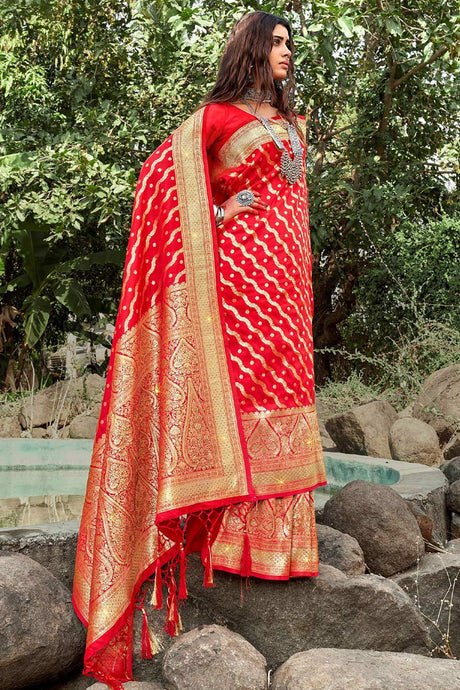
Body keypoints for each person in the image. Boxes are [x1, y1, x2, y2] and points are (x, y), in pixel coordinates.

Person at [72, 10, 327, 689]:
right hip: (238, 281)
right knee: (243, 392)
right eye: (276, 42)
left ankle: (279, 543)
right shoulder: (214, 119)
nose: (287, 52)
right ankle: (225, 539)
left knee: (286, 389)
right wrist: (216, 215)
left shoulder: (294, 124)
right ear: (249, 49)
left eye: (290, 43)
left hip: (286, 283)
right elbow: (159, 184)